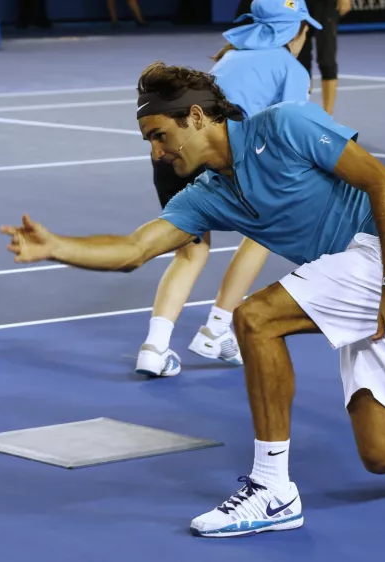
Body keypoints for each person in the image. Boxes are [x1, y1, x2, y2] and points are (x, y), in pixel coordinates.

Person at [0, 62, 385, 538]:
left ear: (196, 116)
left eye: (160, 136)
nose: (156, 153)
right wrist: (56, 246)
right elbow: (134, 248)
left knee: (254, 318)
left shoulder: (287, 124)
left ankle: (272, 490)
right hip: (359, 278)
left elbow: (384, 184)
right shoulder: (207, 196)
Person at [136, 0, 319, 378]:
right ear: (294, 32)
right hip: (218, 158)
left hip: (170, 157)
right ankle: (218, 327)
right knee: (266, 231)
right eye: (306, 28)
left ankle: (154, 348)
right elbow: (296, 132)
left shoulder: (230, 58)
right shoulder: (291, 68)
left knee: (189, 254)